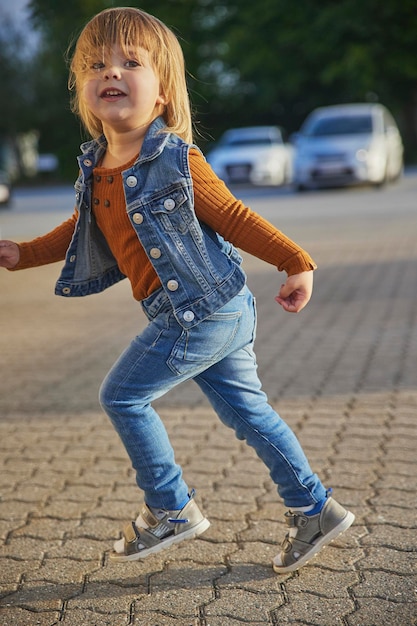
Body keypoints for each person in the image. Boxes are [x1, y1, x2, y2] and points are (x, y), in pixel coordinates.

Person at [0, 7, 354, 573]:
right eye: (95, 64)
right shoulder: (96, 166)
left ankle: (170, 508)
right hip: (209, 311)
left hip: (204, 311)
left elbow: (233, 216)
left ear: (163, 93)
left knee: (121, 395)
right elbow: (82, 229)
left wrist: (295, 261)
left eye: (130, 62)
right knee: (250, 417)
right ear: (82, 90)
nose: (109, 71)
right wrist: (23, 255)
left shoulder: (175, 159)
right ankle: (314, 508)